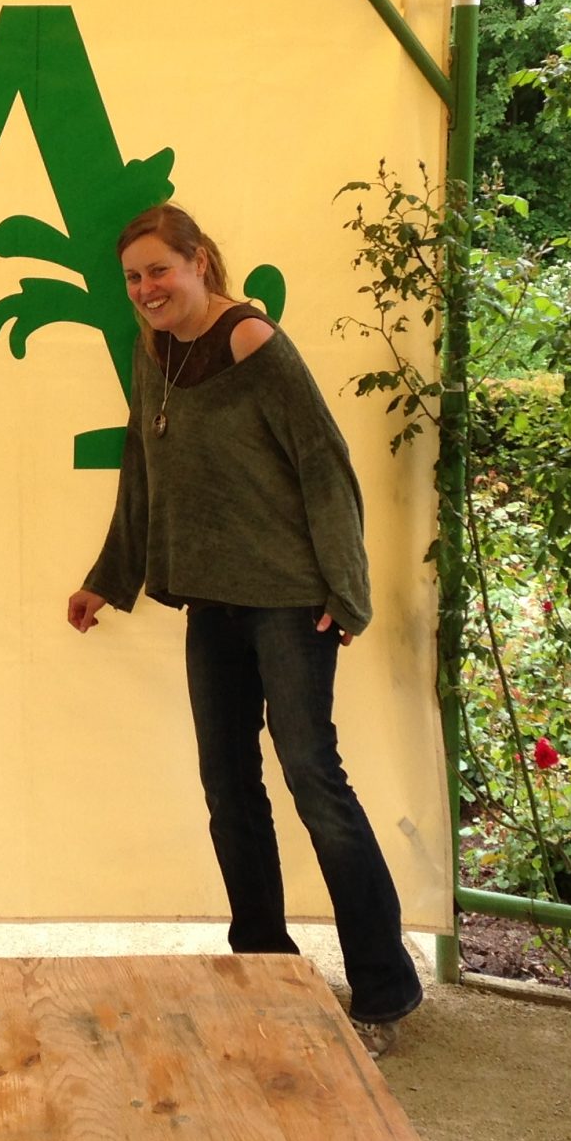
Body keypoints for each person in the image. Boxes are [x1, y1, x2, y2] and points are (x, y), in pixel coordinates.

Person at [65, 203, 423, 1033]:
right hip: (212, 598)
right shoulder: (153, 348)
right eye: (133, 277)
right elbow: (141, 464)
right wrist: (108, 578)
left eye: (160, 269)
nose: (146, 288)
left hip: (290, 600)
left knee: (312, 776)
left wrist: (346, 590)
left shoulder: (253, 341)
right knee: (228, 785)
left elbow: (325, 465)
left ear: (200, 262)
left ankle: (384, 984)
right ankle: (263, 964)